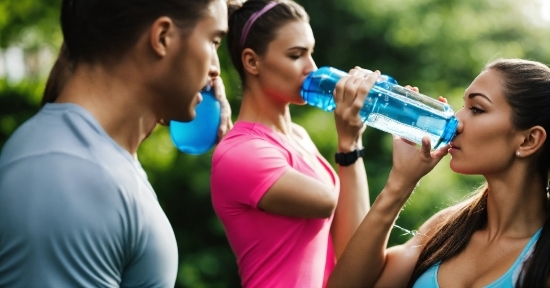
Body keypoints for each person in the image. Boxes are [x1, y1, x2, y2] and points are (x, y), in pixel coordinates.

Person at [0, 0, 232, 286]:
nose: (216, 70)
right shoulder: (70, 173)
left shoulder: (86, 159)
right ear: (163, 38)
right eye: (214, 41)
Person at [326, 58, 550, 288]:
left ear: (529, 140)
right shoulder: (445, 229)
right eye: (464, 106)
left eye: (477, 109)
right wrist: (399, 185)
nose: (457, 120)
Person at [210, 0, 375, 287]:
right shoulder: (240, 152)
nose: (311, 68)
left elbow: (352, 247)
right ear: (252, 61)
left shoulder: (298, 136)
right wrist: (348, 142)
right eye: (296, 55)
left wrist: (354, 143)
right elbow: (328, 202)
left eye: (311, 53)